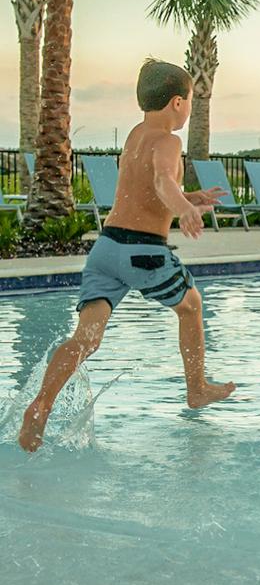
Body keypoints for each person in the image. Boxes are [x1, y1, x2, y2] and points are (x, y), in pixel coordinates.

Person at [18, 59, 235, 452]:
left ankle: (40, 407)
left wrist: (189, 200)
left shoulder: (135, 135)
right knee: (192, 304)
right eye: (189, 100)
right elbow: (162, 180)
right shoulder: (169, 141)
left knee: (85, 339)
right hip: (141, 252)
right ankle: (197, 388)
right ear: (176, 102)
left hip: (106, 249)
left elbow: (146, 191)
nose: (188, 108)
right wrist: (183, 208)